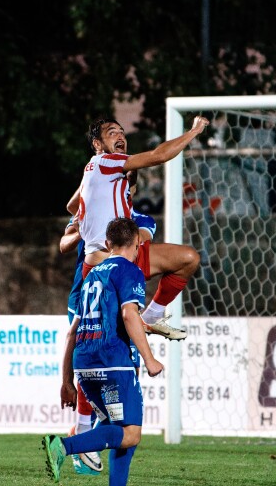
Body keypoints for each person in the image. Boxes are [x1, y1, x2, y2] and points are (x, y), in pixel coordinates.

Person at [42, 217, 164, 486]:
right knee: (131, 434)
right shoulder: (130, 271)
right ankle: (62, 446)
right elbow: (128, 314)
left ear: (107, 244)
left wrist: (66, 380)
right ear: (138, 244)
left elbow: (72, 331)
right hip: (113, 362)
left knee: (118, 428)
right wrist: (149, 359)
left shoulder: (91, 275)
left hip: (85, 364)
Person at [66, 115, 209, 340]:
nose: (120, 135)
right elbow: (158, 156)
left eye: (122, 132)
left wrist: (87, 208)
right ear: (97, 145)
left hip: (124, 259)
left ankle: (151, 317)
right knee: (102, 337)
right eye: (112, 133)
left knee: (188, 258)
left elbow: (72, 205)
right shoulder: (105, 161)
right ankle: (71, 376)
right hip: (103, 266)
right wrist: (193, 132)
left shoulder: (100, 173)